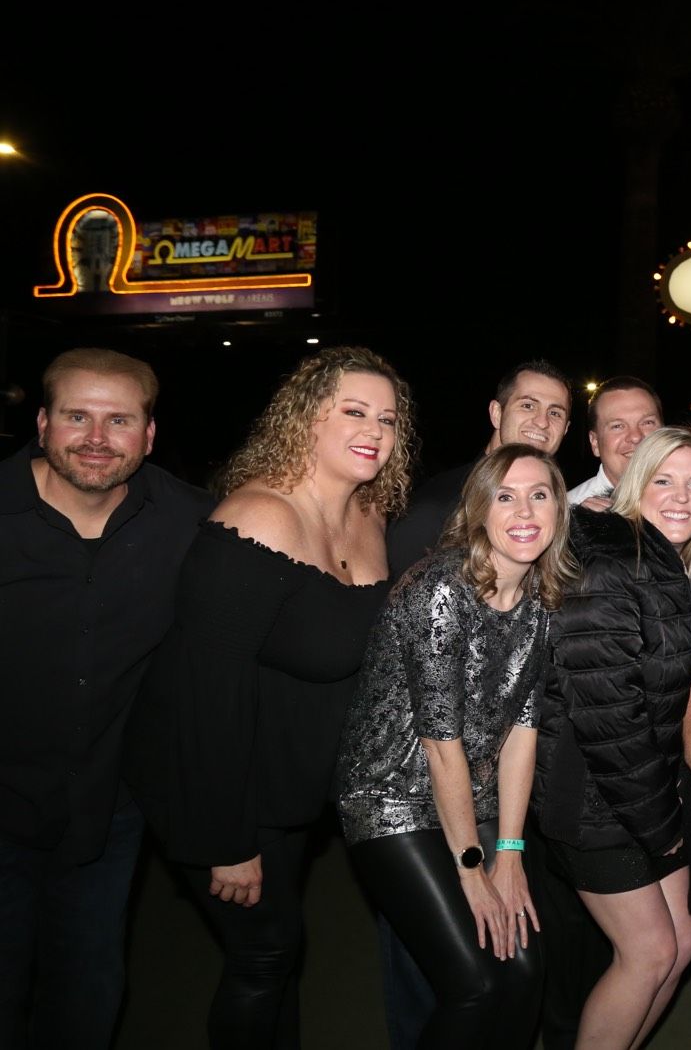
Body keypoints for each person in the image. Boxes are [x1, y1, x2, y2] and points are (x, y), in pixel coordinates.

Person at [125, 346, 414, 1048]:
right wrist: (226, 841)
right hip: (217, 788)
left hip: (287, 791)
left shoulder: (371, 516)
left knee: (278, 952)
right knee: (266, 951)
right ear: (306, 419)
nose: (374, 428)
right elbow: (204, 693)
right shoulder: (259, 517)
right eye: (353, 410)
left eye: (387, 417)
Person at [0, 349, 211, 1049]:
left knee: (87, 994)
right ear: (41, 423)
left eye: (119, 419)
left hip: (107, 812)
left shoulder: (190, 523)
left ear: (148, 435)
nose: (97, 437)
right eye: (77, 416)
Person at [336, 444, 575, 1044]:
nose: (524, 510)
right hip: (391, 798)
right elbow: (441, 743)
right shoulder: (442, 590)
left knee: (524, 972)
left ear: (558, 510)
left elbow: (523, 728)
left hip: (475, 794)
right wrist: (474, 869)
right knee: (475, 983)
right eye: (505, 495)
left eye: (539, 495)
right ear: (479, 510)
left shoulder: (541, 598)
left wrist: (513, 852)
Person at [534, 425, 691, 1050]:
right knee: (647, 953)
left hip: (643, 792)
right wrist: (665, 827)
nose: (680, 496)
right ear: (632, 487)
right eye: (662, 481)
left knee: (682, 943)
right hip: (592, 799)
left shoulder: (678, 565)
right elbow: (609, 721)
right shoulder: (610, 566)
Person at [387, 359, 572, 574]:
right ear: (497, 413)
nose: (542, 422)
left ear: (566, 429)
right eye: (528, 406)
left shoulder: (558, 511)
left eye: (555, 413)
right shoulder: (437, 506)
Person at [568, 375, 663, 509]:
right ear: (595, 443)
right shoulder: (566, 515)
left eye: (647, 423)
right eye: (617, 426)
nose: (635, 437)